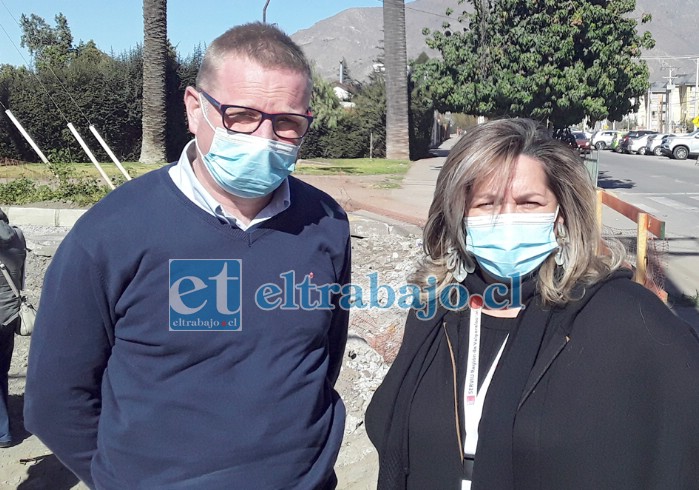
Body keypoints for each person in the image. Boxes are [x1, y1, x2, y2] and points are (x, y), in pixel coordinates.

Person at [24, 22, 350, 489]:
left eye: (286, 122)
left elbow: (323, 355)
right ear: (195, 108)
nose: (264, 137)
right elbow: (55, 400)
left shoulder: (326, 223)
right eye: (241, 115)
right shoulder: (113, 231)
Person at [365, 118, 699, 489]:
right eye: (486, 203)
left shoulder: (624, 316)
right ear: (458, 215)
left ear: (561, 213)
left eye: (528, 203)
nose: (506, 219)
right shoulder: (437, 310)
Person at [0, 209, 27, 448]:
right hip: (9, 314)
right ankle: (4, 428)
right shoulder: (18, 236)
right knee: (1, 371)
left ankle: (2, 433)